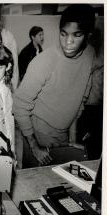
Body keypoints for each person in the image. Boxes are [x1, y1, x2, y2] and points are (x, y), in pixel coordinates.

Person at [13, 4, 100, 168]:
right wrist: (34, 147)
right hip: (37, 133)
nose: (68, 42)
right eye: (63, 34)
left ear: (88, 35)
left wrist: (71, 139)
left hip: (63, 133)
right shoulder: (44, 61)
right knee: (37, 186)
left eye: (77, 35)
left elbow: (80, 100)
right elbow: (19, 106)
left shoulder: (90, 54)